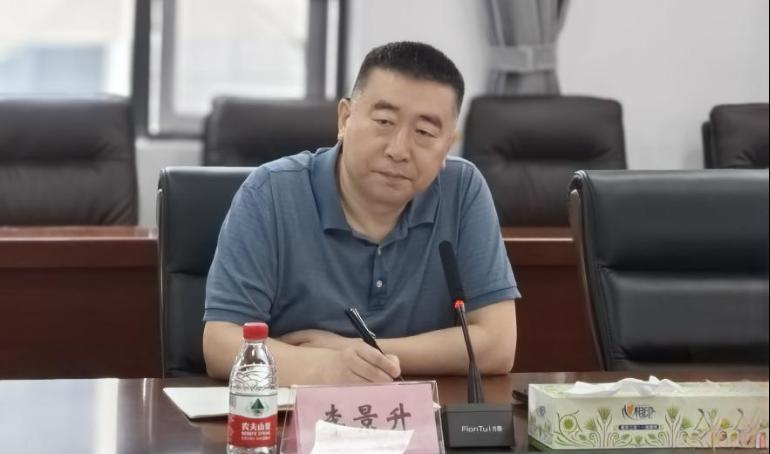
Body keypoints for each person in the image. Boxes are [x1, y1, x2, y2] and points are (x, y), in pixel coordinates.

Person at [202, 41, 520, 386]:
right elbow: (221, 345)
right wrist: (325, 368)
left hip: (419, 415)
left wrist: (359, 353)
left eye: (425, 132)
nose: (398, 150)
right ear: (345, 119)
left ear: (447, 145)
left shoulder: (463, 190)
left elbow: (498, 345)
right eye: (384, 121)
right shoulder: (270, 192)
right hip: (294, 414)